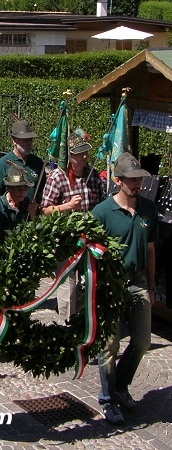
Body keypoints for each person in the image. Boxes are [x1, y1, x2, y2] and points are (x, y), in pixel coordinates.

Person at [92, 153, 157, 425]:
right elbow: (90, 255)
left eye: (139, 179)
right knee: (109, 345)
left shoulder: (147, 209)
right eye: (131, 180)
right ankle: (108, 400)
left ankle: (120, 385)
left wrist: (151, 287)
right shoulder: (101, 213)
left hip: (139, 282)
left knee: (142, 341)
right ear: (117, 180)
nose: (136, 184)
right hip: (111, 285)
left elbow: (151, 249)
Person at [41, 130, 104, 324]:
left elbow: (100, 205)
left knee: (88, 284)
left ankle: (81, 321)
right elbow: (45, 210)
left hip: (89, 241)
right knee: (67, 286)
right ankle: (66, 326)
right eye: (80, 153)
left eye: (86, 152)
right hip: (65, 243)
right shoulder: (58, 177)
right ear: (70, 155)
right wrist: (67, 206)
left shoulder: (93, 177)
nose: (85, 156)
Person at [0, 120, 44, 201]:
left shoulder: (38, 163)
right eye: (25, 140)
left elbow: (40, 193)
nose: (29, 143)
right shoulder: (2, 164)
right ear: (14, 140)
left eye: (30, 140)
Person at [0, 163, 38, 242]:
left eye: (26, 188)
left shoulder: (28, 205)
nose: (23, 192)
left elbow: (35, 234)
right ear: (9, 188)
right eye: (20, 189)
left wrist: (33, 215)